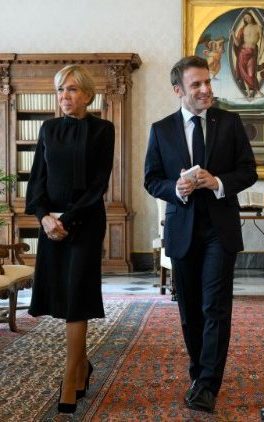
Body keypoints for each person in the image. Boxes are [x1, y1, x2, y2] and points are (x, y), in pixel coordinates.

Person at [144, 56, 257, 413]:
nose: (206, 89)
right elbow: (152, 180)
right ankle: (199, 373)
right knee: (190, 310)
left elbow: (248, 171)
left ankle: (208, 384)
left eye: (208, 82)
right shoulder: (161, 130)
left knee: (215, 307)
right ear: (178, 90)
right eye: (197, 84)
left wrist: (218, 182)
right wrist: (175, 188)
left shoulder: (230, 122)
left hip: (219, 231)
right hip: (182, 230)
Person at [25, 65, 115, 414]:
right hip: (51, 224)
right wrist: (44, 217)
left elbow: (98, 185)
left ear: (88, 95)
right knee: (62, 296)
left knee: (77, 295)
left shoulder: (103, 130)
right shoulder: (48, 129)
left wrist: (66, 219)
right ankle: (82, 366)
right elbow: (37, 180)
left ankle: (69, 377)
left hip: (85, 223)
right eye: (61, 89)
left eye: (73, 89)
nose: (65, 96)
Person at [233, 12, 264, 98]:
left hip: (252, 52)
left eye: (248, 17)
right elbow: (237, 44)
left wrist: (261, 54)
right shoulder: (243, 28)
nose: (247, 19)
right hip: (242, 52)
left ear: (252, 17)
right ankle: (248, 93)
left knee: (251, 74)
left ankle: (257, 91)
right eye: (245, 18)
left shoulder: (258, 27)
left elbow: (263, 42)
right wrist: (233, 35)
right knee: (244, 73)